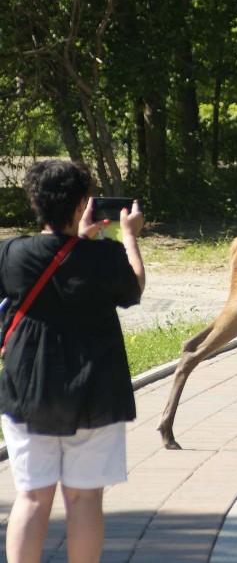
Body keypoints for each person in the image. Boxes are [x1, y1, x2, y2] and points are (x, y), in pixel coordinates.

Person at [0, 160, 145, 563]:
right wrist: (130, 237)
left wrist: (75, 239)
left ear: (34, 202)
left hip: (30, 387)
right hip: (95, 390)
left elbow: (52, 268)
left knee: (30, 498)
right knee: (83, 500)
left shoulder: (11, 253)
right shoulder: (105, 257)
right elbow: (134, 287)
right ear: (84, 203)